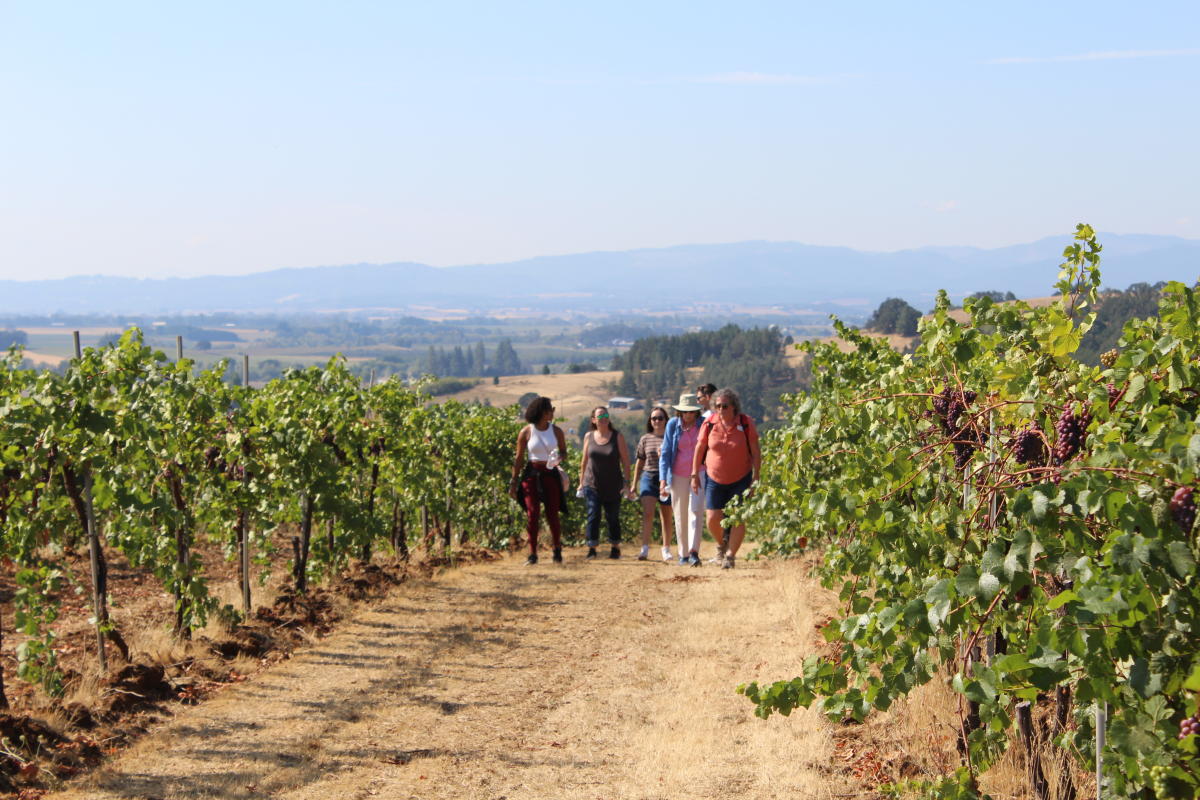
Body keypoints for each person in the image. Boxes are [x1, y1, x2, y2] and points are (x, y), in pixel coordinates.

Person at [691, 388, 760, 569]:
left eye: (725, 406)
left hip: (741, 478)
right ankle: (722, 544)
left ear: (734, 407)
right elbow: (699, 448)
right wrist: (694, 474)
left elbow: (755, 450)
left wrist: (756, 476)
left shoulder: (745, 423)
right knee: (713, 518)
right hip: (714, 478)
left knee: (738, 518)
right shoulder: (709, 423)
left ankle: (730, 556)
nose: (721, 409)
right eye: (718, 406)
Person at [508, 396, 569, 566]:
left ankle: (557, 550)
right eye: (551, 410)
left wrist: (558, 457)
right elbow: (519, 458)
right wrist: (514, 481)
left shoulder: (556, 431)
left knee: (552, 514)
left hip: (550, 472)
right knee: (532, 514)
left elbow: (564, 452)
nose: (553, 413)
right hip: (532, 473)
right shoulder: (526, 432)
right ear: (543, 412)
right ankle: (532, 553)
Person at [578, 406, 632, 559]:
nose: (603, 418)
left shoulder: (617, 437)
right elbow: (584, 461)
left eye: (606, 415)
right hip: (592, 483)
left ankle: (615, 546)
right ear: (593, 420)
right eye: (600, 416)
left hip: (613, 485)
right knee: (593, 514)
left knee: (612, 517)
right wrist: (581, 482)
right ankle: (592, 548)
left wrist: (626, 483)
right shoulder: (588, 436)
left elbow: (626, 462)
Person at [659, 392, 705, 566]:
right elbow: (665, 453)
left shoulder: (702, 425)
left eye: (691, 412)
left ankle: (694, 552)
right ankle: (683, 554)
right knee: (680, 513)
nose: (688, 415)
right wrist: (663, 480)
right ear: (680, 412)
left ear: (696, 412)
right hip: (677, 474)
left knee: (696, 509)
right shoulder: (672, 425)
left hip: (699, 471)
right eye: (685, 412)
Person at [632, 407, 674, 561]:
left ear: (666, 420)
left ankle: (666, 548)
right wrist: (634, 483)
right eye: (654, 418)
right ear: (650, 421)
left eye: (660, 418)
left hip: (667, 478)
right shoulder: (645, 438)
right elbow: (640, 462)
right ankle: (644, 548)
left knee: (666, 515)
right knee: (648, 513)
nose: (657, 421)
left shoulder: (671, 437)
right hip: (649, 476)